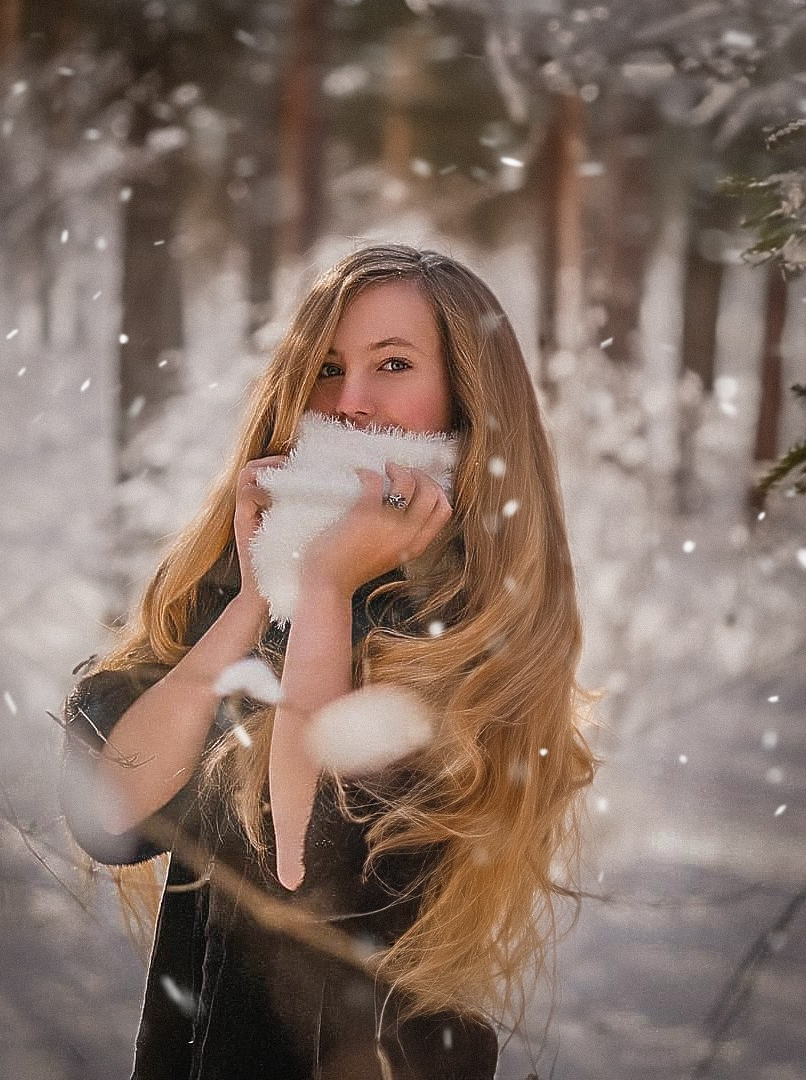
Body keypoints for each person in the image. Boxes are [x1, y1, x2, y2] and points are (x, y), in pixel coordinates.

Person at [59, 244, 596, 1080]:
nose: (351, 403)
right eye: (328, 369)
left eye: (393, 364)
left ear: (464, 399)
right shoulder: (246, 589)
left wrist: (323, 590)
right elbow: (110, 814)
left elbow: (298, 866)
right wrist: (251, 596)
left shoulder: (476, 642)